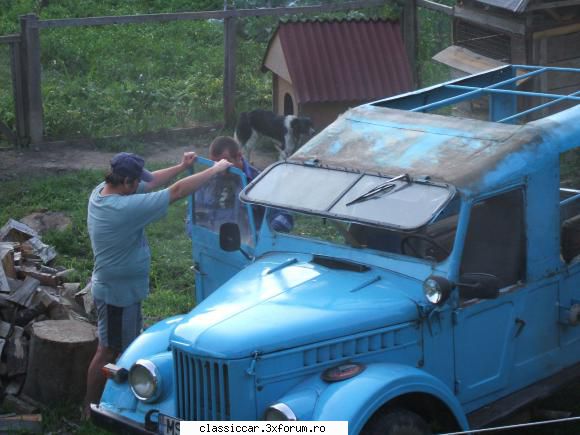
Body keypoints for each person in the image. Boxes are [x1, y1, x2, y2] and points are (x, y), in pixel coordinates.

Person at [83, 151, 231, 418]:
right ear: (126, 181)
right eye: (136, 181)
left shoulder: (103, 192)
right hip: (118, 294)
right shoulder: (122, 209)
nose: (141, 184)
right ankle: (92, 410)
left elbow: (150, 184)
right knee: (108, 350)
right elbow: (174, 192)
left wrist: (181, 165)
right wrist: (215, 171)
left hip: (121, 289)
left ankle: (115, 402)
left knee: (119, 346)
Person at [188, 136, 293, 239]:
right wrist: (196, 231)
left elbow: (284, 217)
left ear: (239, 156)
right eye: (214, 164)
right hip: (212, 248)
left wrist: (260, 237)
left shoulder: (260, 182)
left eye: (224, 164)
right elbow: (193, 215)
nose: (219, 170)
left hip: (247, 251)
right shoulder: (207, 181)